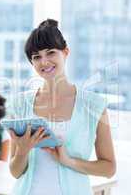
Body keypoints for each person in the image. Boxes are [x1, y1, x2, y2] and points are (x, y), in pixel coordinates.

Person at [9, 19, 116, 195]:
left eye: (50, 53)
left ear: (65, 52)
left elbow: (109, 168)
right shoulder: (20, 104)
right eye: (36, 57)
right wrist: (22, 151)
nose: (44, 62)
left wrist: (69, 161)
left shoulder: (93, 105)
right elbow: (15, 172)